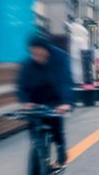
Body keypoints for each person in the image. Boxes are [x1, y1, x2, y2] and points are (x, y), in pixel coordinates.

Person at [16, 33, 75, 166]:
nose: (36, 56)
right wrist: (25, 102)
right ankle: (37, 169)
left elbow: (66, 81)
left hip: (55, 97)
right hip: (35, 100)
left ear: (45, 49)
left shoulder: (60, 58)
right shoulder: (28, 64)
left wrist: (66, 103)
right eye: (33, 53)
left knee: (55, 124)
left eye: (38, 53)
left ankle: (61, 149)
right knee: (33, 127)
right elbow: (21, 86)